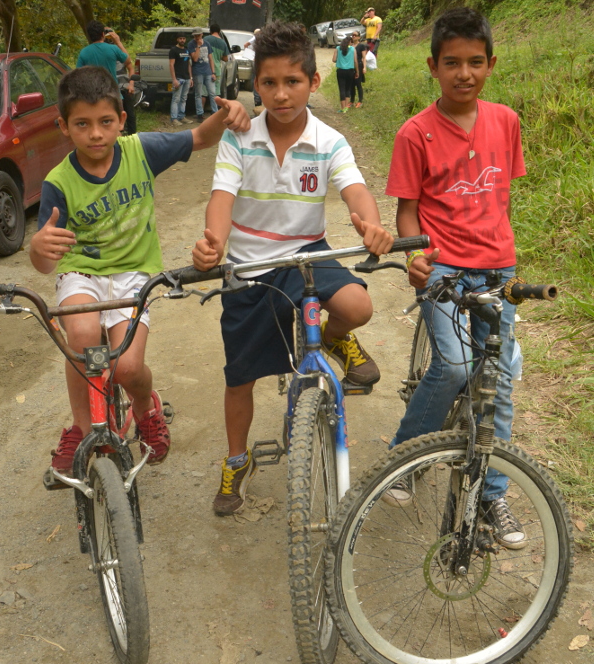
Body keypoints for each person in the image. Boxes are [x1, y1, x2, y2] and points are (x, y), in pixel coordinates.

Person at [191, 21, 394, 516]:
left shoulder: (330, 141)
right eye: (269, 83)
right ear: (255, 84)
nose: (281, 95)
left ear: (313, 82)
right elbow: (222, 198)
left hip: (307, 255)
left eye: (293, 82)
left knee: (358, 305)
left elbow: (355, 190)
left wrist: (371, 224)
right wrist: (214, 243)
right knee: (239, 377)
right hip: (250, 266)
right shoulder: (240, 138)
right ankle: (237, 458)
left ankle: (335, 336)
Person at [29, 66, 250, 476]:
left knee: (127, 368)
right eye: (82, 124)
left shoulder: (141, 151)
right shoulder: (58, 182)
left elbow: (200, 137)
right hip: (83, 273)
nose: (96, 134)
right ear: (64, 126)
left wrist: (229, 112)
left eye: (105, 122)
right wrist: (39, 248)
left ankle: (145, 407)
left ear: (121, 121)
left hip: (135, 274)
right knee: (80, 335)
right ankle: (81, 426)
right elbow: (46, 263)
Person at [384, 7, 528, 550]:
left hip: (498, 265)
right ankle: (406, 457)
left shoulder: (506, 122)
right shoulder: (415, 133)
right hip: (443, 266)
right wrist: (417, 257)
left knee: (496, 379)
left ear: (490, 64)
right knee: (455, 364)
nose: (463, 73)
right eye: (451, 63)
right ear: (432, 66)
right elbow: (408, 210)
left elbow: (501, 197)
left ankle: (493, 493)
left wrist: (502, 255)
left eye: (474, 62)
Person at [77, 20, 137, 134]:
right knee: (118, 126)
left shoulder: (84, 53)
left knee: (100, 127)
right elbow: (128, 61)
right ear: (103, 34)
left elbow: (78, 75)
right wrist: (118, 42)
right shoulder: (112, 49)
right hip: (113, 93)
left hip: (94, 96)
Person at [188, 28, 218, 122]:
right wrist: (198, 47)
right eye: (195, 35)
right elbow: (195, 59)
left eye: (198, 35)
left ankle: (215, 112)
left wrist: (213, 72)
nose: (197, 37)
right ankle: (200, 114)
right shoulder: (191, 44)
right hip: (198, 72)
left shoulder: (207, 44)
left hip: (208, 72)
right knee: (198, 94)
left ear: (202, 35)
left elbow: (210, 59)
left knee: (212, 93)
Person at [169, 32, 194, 126]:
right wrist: (174, 79)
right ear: (177, 39)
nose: (182, 40)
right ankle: (174, 119)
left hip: (187, 78)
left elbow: (188, 64)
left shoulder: (187, 50)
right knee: (176, 99)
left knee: (184, 98)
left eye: (183, 38)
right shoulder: (173, 50)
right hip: (178, 78)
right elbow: (171, 65)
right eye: (180, 38)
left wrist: (191, 78)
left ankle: (181, 116)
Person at [332, 36, 358, 113]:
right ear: (349, 42)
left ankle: (342, 108)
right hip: (350, 71)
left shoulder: (338, 48)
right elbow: (355, 61)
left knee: (342, 89)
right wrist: (357, 72)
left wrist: (340, 59)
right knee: (348, 88)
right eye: (351, 42)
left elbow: (333, 59)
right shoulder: (353, 49)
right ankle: (346, 107)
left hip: (340, 71)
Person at [205, 23, 230, 97]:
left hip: (205, 69)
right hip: (216, 70)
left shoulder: (205, 39)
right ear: (219, 31)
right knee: (216, 92)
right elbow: (226, 59)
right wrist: (219, 55)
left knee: (203, 93)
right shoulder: (223, 43)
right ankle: (216, 108)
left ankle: (201, 108)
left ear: (210, 31)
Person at [243, 29, 262, 112]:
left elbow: (245, 44)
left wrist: (250, 53)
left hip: (257, 62)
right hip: (263, 62)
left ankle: (258, 103)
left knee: (256, 80)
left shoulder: (255, 38)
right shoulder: (264, 39)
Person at [350, 31, 367, 108]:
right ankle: (352, 100)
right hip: (351, 66)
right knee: (351, 84)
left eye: (355, 35)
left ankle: (360, 101)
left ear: (359, 37)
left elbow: (364, 57)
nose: (353, 36)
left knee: (358, 83)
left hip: (359, 65)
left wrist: (364, 67)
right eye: (352, 35)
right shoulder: (350, 46)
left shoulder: (361, 46)